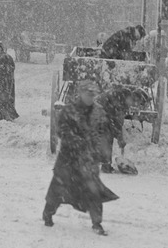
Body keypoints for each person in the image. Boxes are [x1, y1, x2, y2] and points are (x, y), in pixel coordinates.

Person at [43, 80, 119, 236]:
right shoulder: (69, 111)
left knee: (93, 191)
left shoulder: (99, 112)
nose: (91, 97)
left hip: (88, 161)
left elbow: (104, 132)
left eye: (93, 94)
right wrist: (79, 143)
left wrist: (101, 151)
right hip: (68, 159)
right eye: (88, 94)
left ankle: (97, 223)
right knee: (58, 189)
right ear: (81, 93)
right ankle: (48, 214)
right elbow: (62, 132)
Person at [92, 84, 131, 173]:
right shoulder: (115, 100)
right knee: (107, 137)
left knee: (104, 137)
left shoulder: (116, 97)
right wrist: (120, 138)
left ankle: (99, 163)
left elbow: (117, 122)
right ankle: (105, 165)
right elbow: (114, 121)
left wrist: (119, 136)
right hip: (96, 114)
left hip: (97, 113)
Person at [0, 42, 18, 122]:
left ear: (0, 49)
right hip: (1, 82)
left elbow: (9, 69)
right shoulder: (1, 57)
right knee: (0, 99)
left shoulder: (5, 57)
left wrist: (3, 79)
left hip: (5, 82)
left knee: (4, 99)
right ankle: (3, 116)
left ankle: (7, 116)